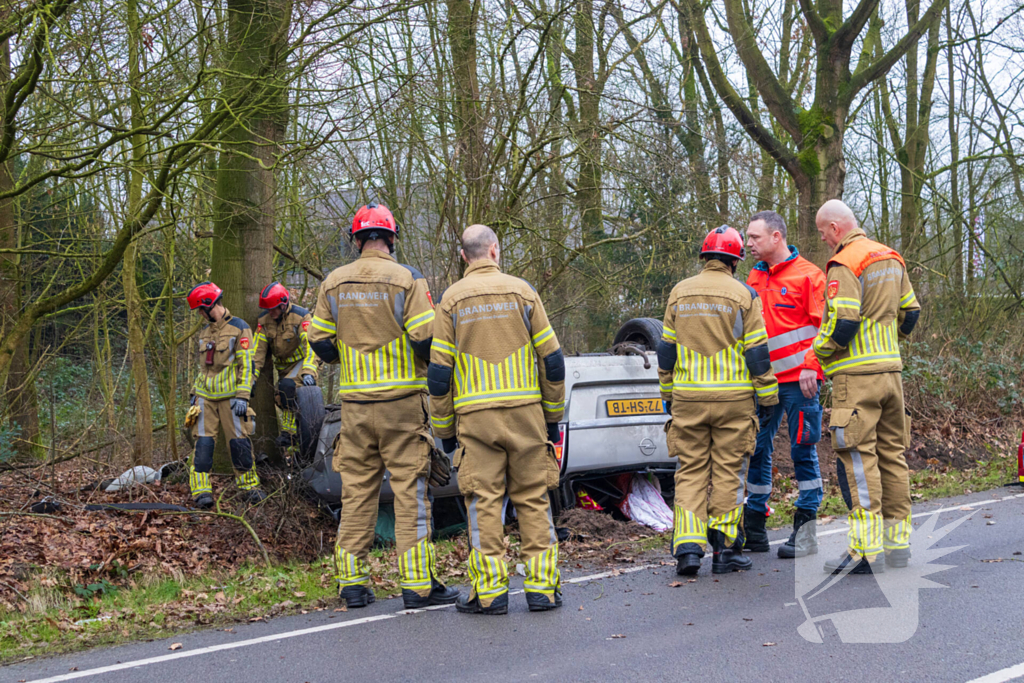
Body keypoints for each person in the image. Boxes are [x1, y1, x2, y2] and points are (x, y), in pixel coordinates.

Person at [307, 201, 458, 610]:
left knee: (357, 494)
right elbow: (425, 338)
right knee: (411, 493)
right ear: (391, 238)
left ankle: (352, 585)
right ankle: (418, 586)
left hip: (355, 407)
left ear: (356, 240)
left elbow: (319, 340)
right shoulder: (406, 278)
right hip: (402, 403)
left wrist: (347, 355)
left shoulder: (333, 282)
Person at [428, 224, 565, 615]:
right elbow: (553, 361)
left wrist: (445, 431)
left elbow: (438, 375)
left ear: (463, 256)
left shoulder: (451, 300)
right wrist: (552, 417)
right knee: (534, 500)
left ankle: (489, 595)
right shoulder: (523, 292)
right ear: (495, 250)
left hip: (476, 421)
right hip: (527, 415)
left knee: (484, 504)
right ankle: (543, 590)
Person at [657, 225, 779, 577]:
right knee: (729, 471)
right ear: (734, 261)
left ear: (705, 257)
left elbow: (666, 351)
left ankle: (688, 550)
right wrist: (768, 396)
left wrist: (667, 393)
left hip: (688, 399)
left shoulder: (679, 292)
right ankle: (725, 550)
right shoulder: (744, 295)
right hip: (733, 402)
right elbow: (757, 353)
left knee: (690, 471)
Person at [810, 199, 921, 574]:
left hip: (856, 380)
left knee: (859, 461)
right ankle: (898, 545)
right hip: (891, 375)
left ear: (835, 228)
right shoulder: (891, 257)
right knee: (893, 457)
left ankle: (864, 551)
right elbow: (911, 314)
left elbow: (843, 323)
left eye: (823, 232)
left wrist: (818, 351)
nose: (823, 240)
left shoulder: (845, 263)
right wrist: (887, 341)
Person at [744, 211, 825, 559]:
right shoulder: (754, 276)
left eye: (755, 237)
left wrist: (812, 366)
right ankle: (754, 528)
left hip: (799, 382)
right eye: (748, 237)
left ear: (776, 237)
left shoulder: (810, 276)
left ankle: (805, 534)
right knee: (756, 449)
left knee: (802, 451)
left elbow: (826, 328)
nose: (748, 243)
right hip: (763, 383)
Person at [185, 282, 265, 507]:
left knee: (239, 444)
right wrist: (194, 393)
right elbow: (203, 368)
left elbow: (247, 365)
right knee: (203, 445)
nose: (200, 314)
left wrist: (243, 395)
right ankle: (201, 491)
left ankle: (249, 487)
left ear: (210, 304)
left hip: (232, 398)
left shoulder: (240, 328)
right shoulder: (204, 333)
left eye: (201, 309)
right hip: (205, 398)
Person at [251, 282, 318, 451]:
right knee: (281, 398)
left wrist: (309, 371)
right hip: (283, 369)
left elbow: (311, 347)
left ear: (283, 304)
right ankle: (299, 433)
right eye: (268, 309)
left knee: (287, 387)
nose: (270, 312)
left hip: (302, 363)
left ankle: (289, 433)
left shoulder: (301, 317)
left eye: (273, 309)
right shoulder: (264, 321)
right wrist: (250, 379)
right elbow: (257, 354)